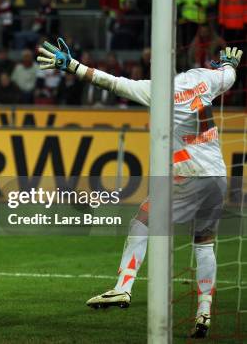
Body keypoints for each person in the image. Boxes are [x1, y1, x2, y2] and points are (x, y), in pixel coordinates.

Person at [38, 38, 242, 339]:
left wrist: (73, 66)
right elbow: (230, 75)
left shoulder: (156, 91)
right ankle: (204, 312)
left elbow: (111, 83)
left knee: (142, 220)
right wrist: (228, 64)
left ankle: (122, 287)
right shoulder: (204, 77)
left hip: (187, 172)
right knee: (204, 241)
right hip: (217, 174)